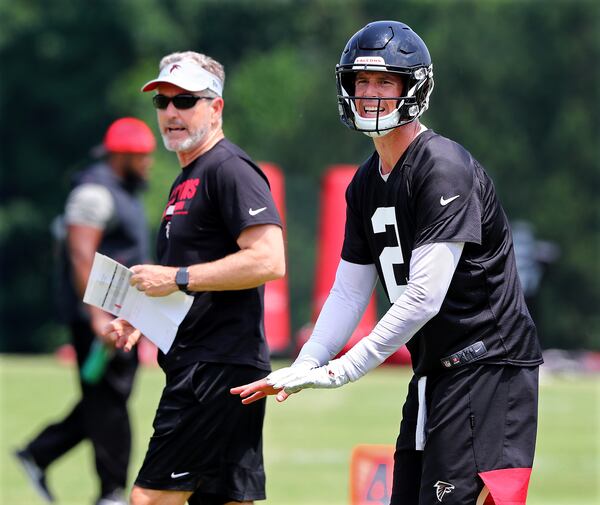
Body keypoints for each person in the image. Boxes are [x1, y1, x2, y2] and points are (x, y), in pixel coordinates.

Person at [231, 20, 543, 505]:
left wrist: (342, 369)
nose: (369, 93)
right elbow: (351, 290)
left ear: (413, 88)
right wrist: (308, 361)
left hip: (486, 369)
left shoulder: (443, 167)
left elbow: (423, 296)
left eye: (384, 82)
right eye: (361, 81)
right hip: (434, 371)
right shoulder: (365, 183)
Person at [101, 51, 286, 505]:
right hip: (208, 364)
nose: (171, 113)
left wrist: (177, 277)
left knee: (149, 499)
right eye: (162, 103)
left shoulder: (229, 169)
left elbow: (268, 260)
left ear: (215, 107)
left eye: (185, 101)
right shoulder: (187, 177)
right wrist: (138, 315)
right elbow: (188, 281)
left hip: (214, 367)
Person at [15, 117, 156, 505]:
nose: (148, 164)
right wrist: (97, 315)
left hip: (118, 316)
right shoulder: (94, 193)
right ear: (119, 156)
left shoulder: (122, 190)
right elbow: (80, 254)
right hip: (99, 319)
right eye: (141, 157)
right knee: (108, 404)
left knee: (106, 400)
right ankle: (110, 493)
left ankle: (40, 453)